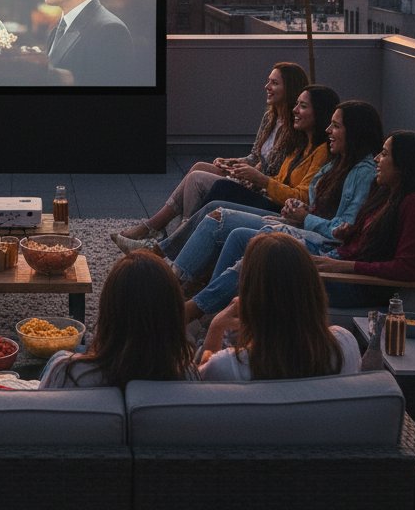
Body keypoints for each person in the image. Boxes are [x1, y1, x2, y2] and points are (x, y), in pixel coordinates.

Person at [171, 100, 383, 322]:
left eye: (336, 126)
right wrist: (299, 208)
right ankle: (191, 295)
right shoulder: (334, 163)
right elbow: (313, 202)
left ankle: (198, 307)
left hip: (315, 238)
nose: (329, 130)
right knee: (218, 214)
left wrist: (303, 214)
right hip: (298, 222)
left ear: (356, 132)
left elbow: (342, 230)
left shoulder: (361, 173)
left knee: (227, 221)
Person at [112, 63, 308, 251]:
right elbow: (255, 156)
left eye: (274, 83)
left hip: (261, 188)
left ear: (290, 88)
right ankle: (161, 230)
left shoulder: (295, 129)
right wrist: (233, 162)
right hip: (252, 178)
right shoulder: (270, 117)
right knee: (199, 167)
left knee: (196, 180)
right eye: (268, 81)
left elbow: (272, 172)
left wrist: (246, 172)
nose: (267, 87)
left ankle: (172, 235)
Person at [199, 233, 361, 381]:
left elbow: (201, 396)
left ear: (251, 293)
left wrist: (215, 329)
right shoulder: (345, 346)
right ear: (314, 290)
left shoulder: (227, 367)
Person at [311, 130, 415, 307]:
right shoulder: (386, 193)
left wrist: (345, 267)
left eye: (384, 154)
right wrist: (349, 234)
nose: (376, 158)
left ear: (404, 164)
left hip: (361, 285)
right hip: (342, 262)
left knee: (278, 275)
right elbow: (373, 241)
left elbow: (407, 268)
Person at [39, 250, 199, 389]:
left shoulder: (66, 373)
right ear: (175, 314)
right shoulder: (188, 375)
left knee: (67, 353)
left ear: (107, 312)